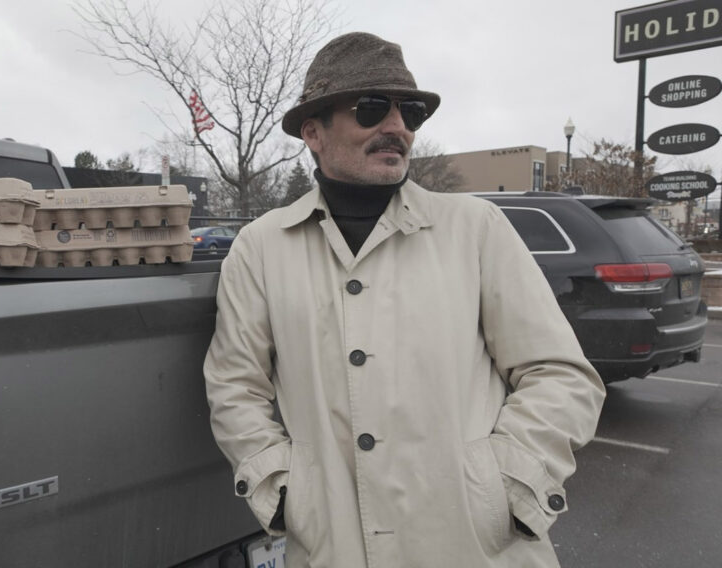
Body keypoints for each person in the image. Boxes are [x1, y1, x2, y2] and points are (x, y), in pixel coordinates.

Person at [203, 32, 605, 567]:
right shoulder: (260, 246)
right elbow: (235, 386)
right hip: (332, 547)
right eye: (371, 109)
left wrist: (510, 481)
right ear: (313, 131)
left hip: (476, 547)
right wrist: (279, 489)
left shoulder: (476, 228)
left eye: (410, 113)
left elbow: (559, 373)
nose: (396, 127)